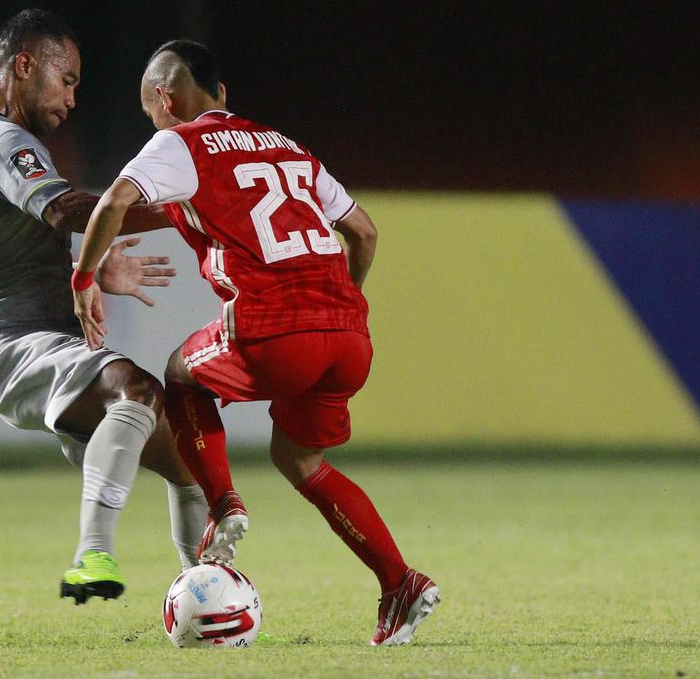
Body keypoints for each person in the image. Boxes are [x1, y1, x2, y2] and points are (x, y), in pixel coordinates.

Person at [70, 40, 440, 645]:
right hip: (349, 337)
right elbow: (364, 233)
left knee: (178, 372)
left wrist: (85, 277)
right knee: (300, 460)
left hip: (274, 328)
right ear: (224, 95)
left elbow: (115, 201)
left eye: (150, 112)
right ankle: (399, 584)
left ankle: (223, 505)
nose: (153, 124)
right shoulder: (289, 147)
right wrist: (337, 303)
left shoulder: (179, 141)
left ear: (165, 99)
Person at [0, 11, 208, 604]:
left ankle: (212, 599)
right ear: (25, 65)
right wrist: (175, 205)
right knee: (133, 387)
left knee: (193, 462)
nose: (72, 97)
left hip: (29, 340)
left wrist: (88, 269)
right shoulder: (2, 141)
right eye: (67, 79)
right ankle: (92, 556)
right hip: (13, 347)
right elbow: (64, 211)